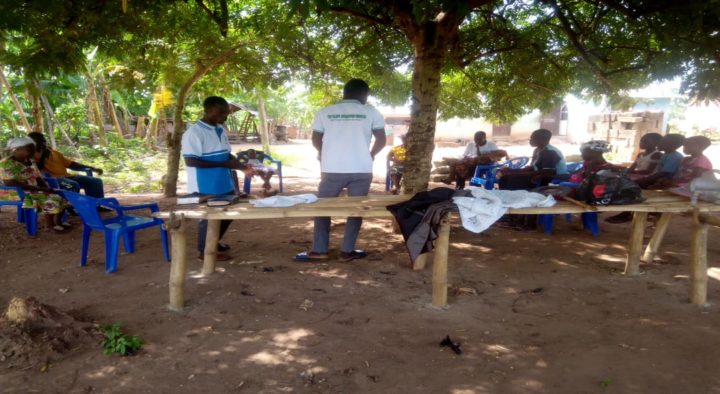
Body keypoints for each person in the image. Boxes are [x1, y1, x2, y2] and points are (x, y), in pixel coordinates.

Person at [295, 78, 386, 262]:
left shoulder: (325, 112)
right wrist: (371, 154)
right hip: (361, 169)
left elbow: (315, 139)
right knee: (356, 208)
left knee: (323, 207)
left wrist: (323, 152)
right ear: (364, 94)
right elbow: (381, 140)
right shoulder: (372, 112)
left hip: (332, 169)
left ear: (344, 93)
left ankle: (320, 250)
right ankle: (347, 251)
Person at [182, 96, 252, 261]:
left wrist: (242, 167)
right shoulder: (194, 133)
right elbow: (190, 160)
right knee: (209, 216)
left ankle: (213, 241)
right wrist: (224, 165)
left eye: (226, 113)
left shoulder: (220, 129)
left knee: (228, 213)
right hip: (204, 183)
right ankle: (204, 252)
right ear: (208, 110)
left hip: (223, 180)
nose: (224, 116)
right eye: (220, 112)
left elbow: (226, 154)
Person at [0, 137, 68, 233]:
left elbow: (38, 177)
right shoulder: (6, 163)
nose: (32, 152)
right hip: (14, 192)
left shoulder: (29, 161)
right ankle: (48, 226)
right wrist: (37, 188)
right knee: (51, 198)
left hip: (32, 189)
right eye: (28, 150)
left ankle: (57, 221)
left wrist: (45, 187)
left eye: (33, 150)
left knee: (61, 195)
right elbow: (10, 182)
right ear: (16, 149)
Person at [28, 132, 105, 198]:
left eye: (43, 140)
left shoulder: (54, 153)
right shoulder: (29, 156)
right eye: (38, 141)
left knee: (95, 181)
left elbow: (72, 164)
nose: (43, 143)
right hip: (52, 181)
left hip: (67, 177)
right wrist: (41, 156)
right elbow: (36, 172)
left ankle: (97, 205)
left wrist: (92, 168)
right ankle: (71, 207)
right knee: (71, 185)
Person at [498, 128, 568, 190]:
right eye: (531, 138)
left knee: (507, 179)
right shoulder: (537, 150)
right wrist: (512, 170)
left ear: (544, 140)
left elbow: (547, 172)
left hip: (554, 178)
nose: (530, 140)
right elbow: (534, 168)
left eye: (533, 138)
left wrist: (515, 173)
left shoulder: (549, 152)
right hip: (541, 176)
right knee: (506, 177)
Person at [440, 131, 507, 189]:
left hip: (484, 166)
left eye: (479, 139)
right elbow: (465, 155)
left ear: (484, 138)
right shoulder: (470, 144)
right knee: (459, 168)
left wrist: (479, 152)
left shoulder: (491, 145)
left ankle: (474, 188)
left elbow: (496, 155)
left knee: (464, 167)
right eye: (475, 139)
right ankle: (459, 187)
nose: (477, 141)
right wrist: (467, 159)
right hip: (469, 163)